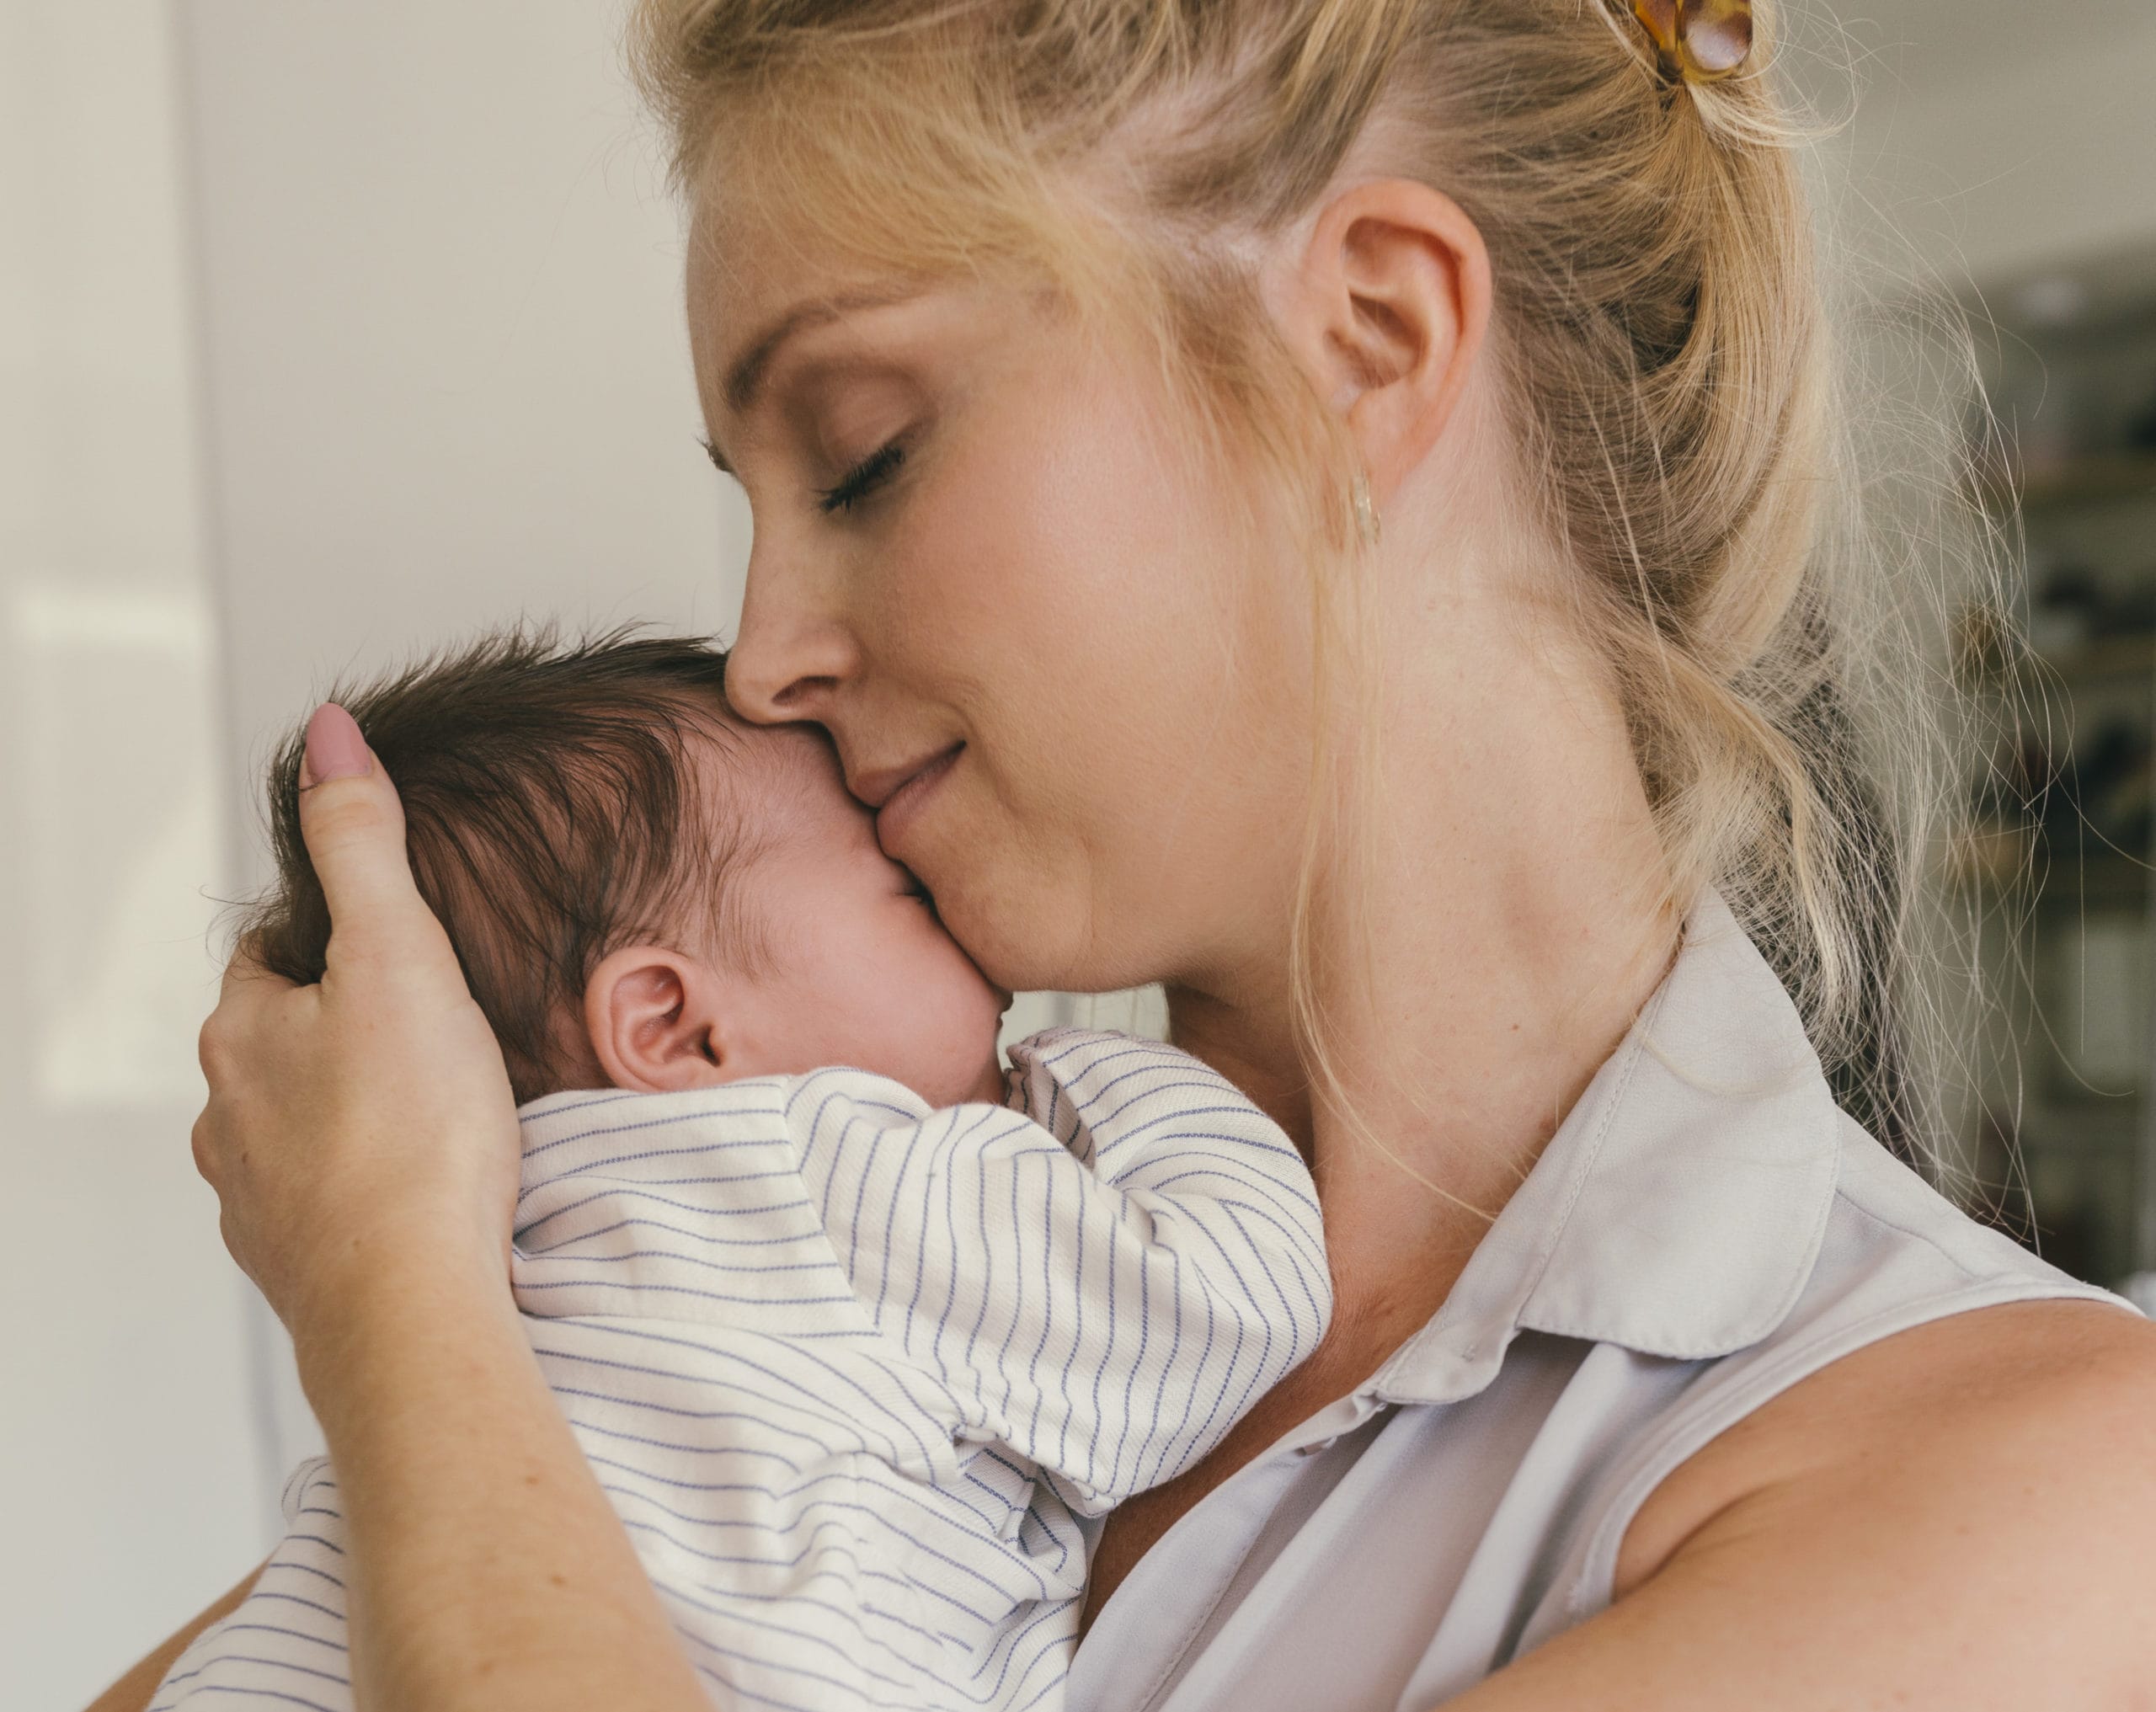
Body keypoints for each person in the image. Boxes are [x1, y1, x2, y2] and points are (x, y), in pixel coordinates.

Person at [97, 0, 2156, 1704]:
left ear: (1363, 339)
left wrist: (390, 1293)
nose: (765, 652)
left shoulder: (2028, 1491)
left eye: (866, 451)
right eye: (752, 498)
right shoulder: (753, 1255)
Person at [147, 630, 1329, 1711]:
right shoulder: (829, 1172)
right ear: (675, 1028)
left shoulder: (494, 1240)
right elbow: (1232, 1291)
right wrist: (1094, 1066)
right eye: (913, 895)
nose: (977, 932)